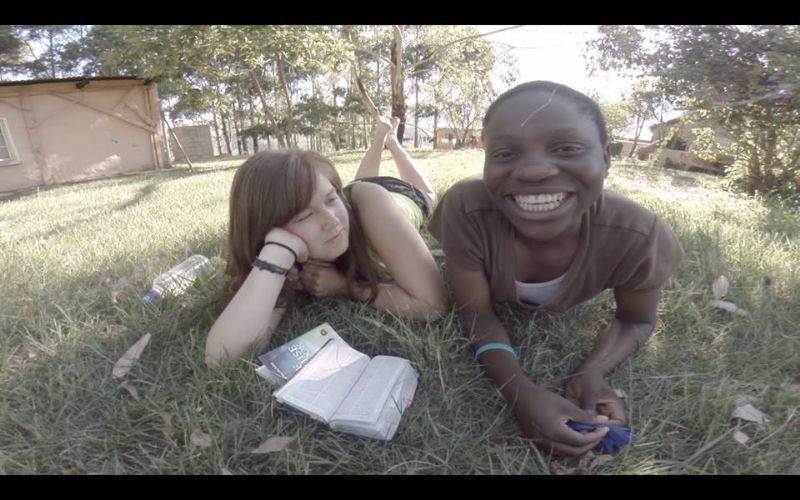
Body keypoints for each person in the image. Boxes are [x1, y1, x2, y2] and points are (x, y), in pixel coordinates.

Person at [428, 81, 684, 457]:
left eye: (567, 148)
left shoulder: (639, 235)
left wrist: (592, 371)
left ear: (606, 157)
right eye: (505, 153)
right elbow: (476, 313)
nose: (533, 171)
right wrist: (519, 391)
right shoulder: (466, 209)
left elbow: (636, 320)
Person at [206, 116, 446, 366]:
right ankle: (381, 140)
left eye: (331, 199)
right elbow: (221, 356)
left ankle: (391, 143)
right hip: (357, 190)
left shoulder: (368, 204)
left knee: (428, 195)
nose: (332, 220)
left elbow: (431, 305)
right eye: (305, 216)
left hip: (399, 198)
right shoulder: (286, 244)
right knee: (361, 182)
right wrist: (277, 253)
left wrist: (345, 286)